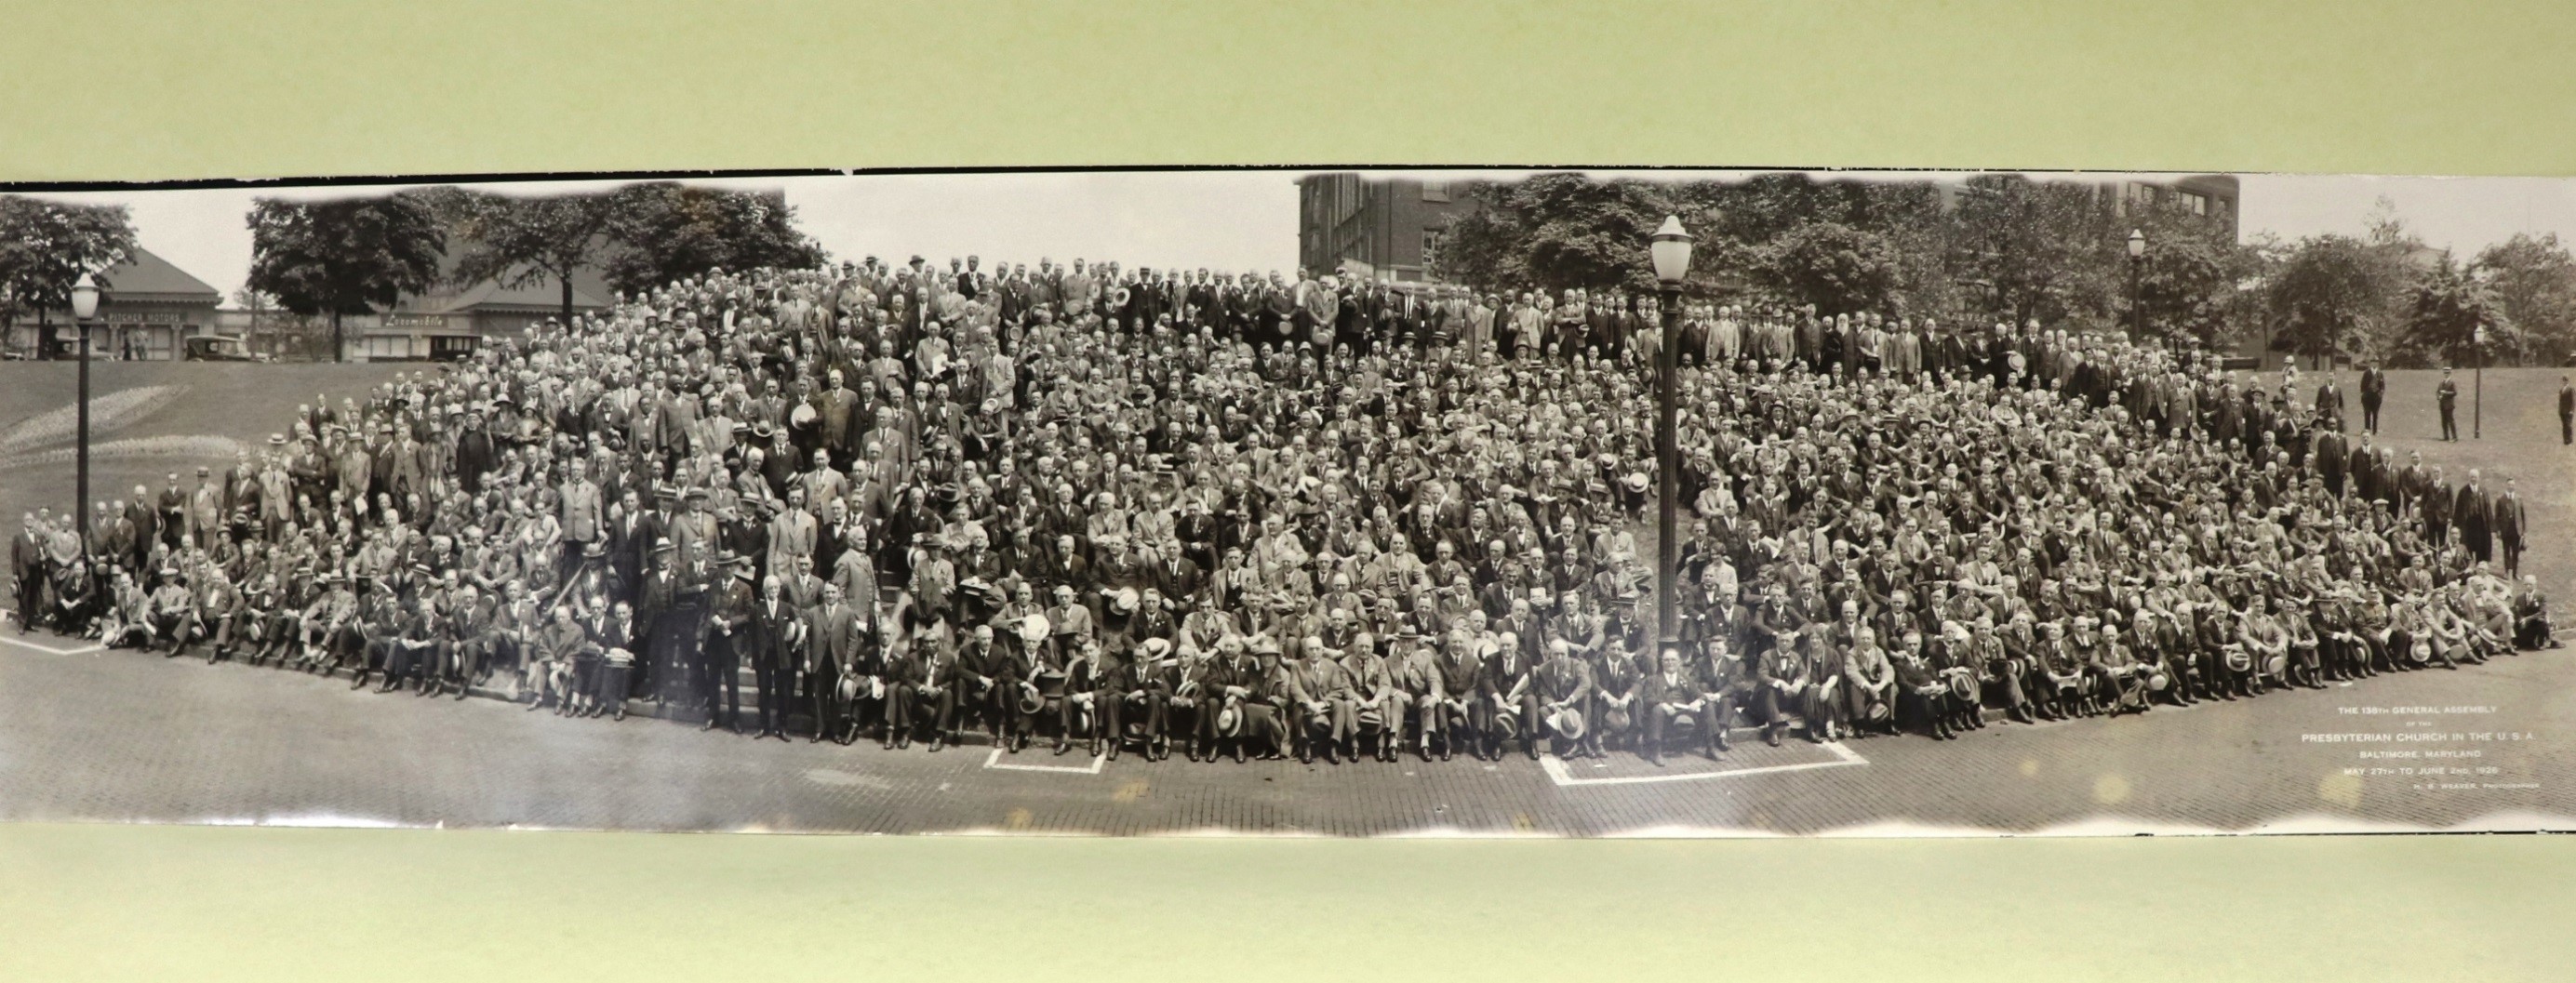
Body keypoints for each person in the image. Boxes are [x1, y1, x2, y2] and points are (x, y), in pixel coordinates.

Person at [2436, 367, 2460, 441]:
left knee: (2450, 421)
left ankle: (2454, 437)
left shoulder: (2452, 382)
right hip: (2442, 404)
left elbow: (2455, 392)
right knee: (2444, 421)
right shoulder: (2441, 382)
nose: (2446, 374)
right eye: (2445, 373)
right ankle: (2446, 436)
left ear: (2449, 373)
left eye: (2447, 373)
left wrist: (2446, 393)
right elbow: (2437, 391)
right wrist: (2439, 397)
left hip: (2449, 405)